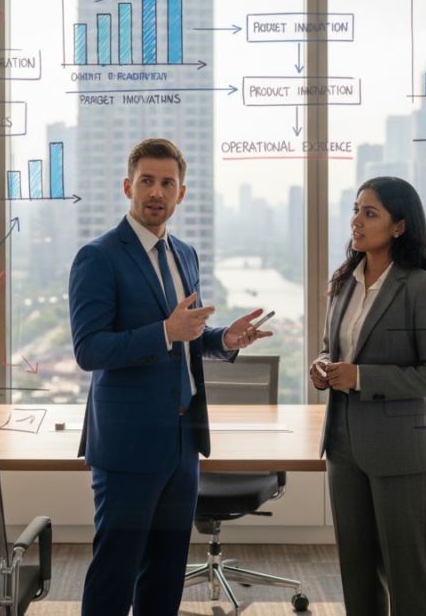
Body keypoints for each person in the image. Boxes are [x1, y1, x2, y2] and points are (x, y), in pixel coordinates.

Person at [69, 138, 273, 616]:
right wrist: (164, 331)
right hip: (127, 442)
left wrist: (223, 340)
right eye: (146, 181)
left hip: (183, 439)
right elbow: (89, 350)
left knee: (165, 576)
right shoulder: (98, 257)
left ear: (181, 193)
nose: (156, 192)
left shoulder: (185, 253)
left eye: (167, 183)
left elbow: (187, 335)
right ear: (128, 187)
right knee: (115, 573)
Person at [310, 176, 426, 616]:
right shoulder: (345, 283)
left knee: (407, 578)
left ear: (398, 227)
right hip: (343, 445)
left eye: (369, 213)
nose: (356, 221)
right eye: (356, 209)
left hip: (399, 451)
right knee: (356, 574)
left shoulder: (423, 289)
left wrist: (360, 377)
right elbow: (330, 349)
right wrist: (322, 368)